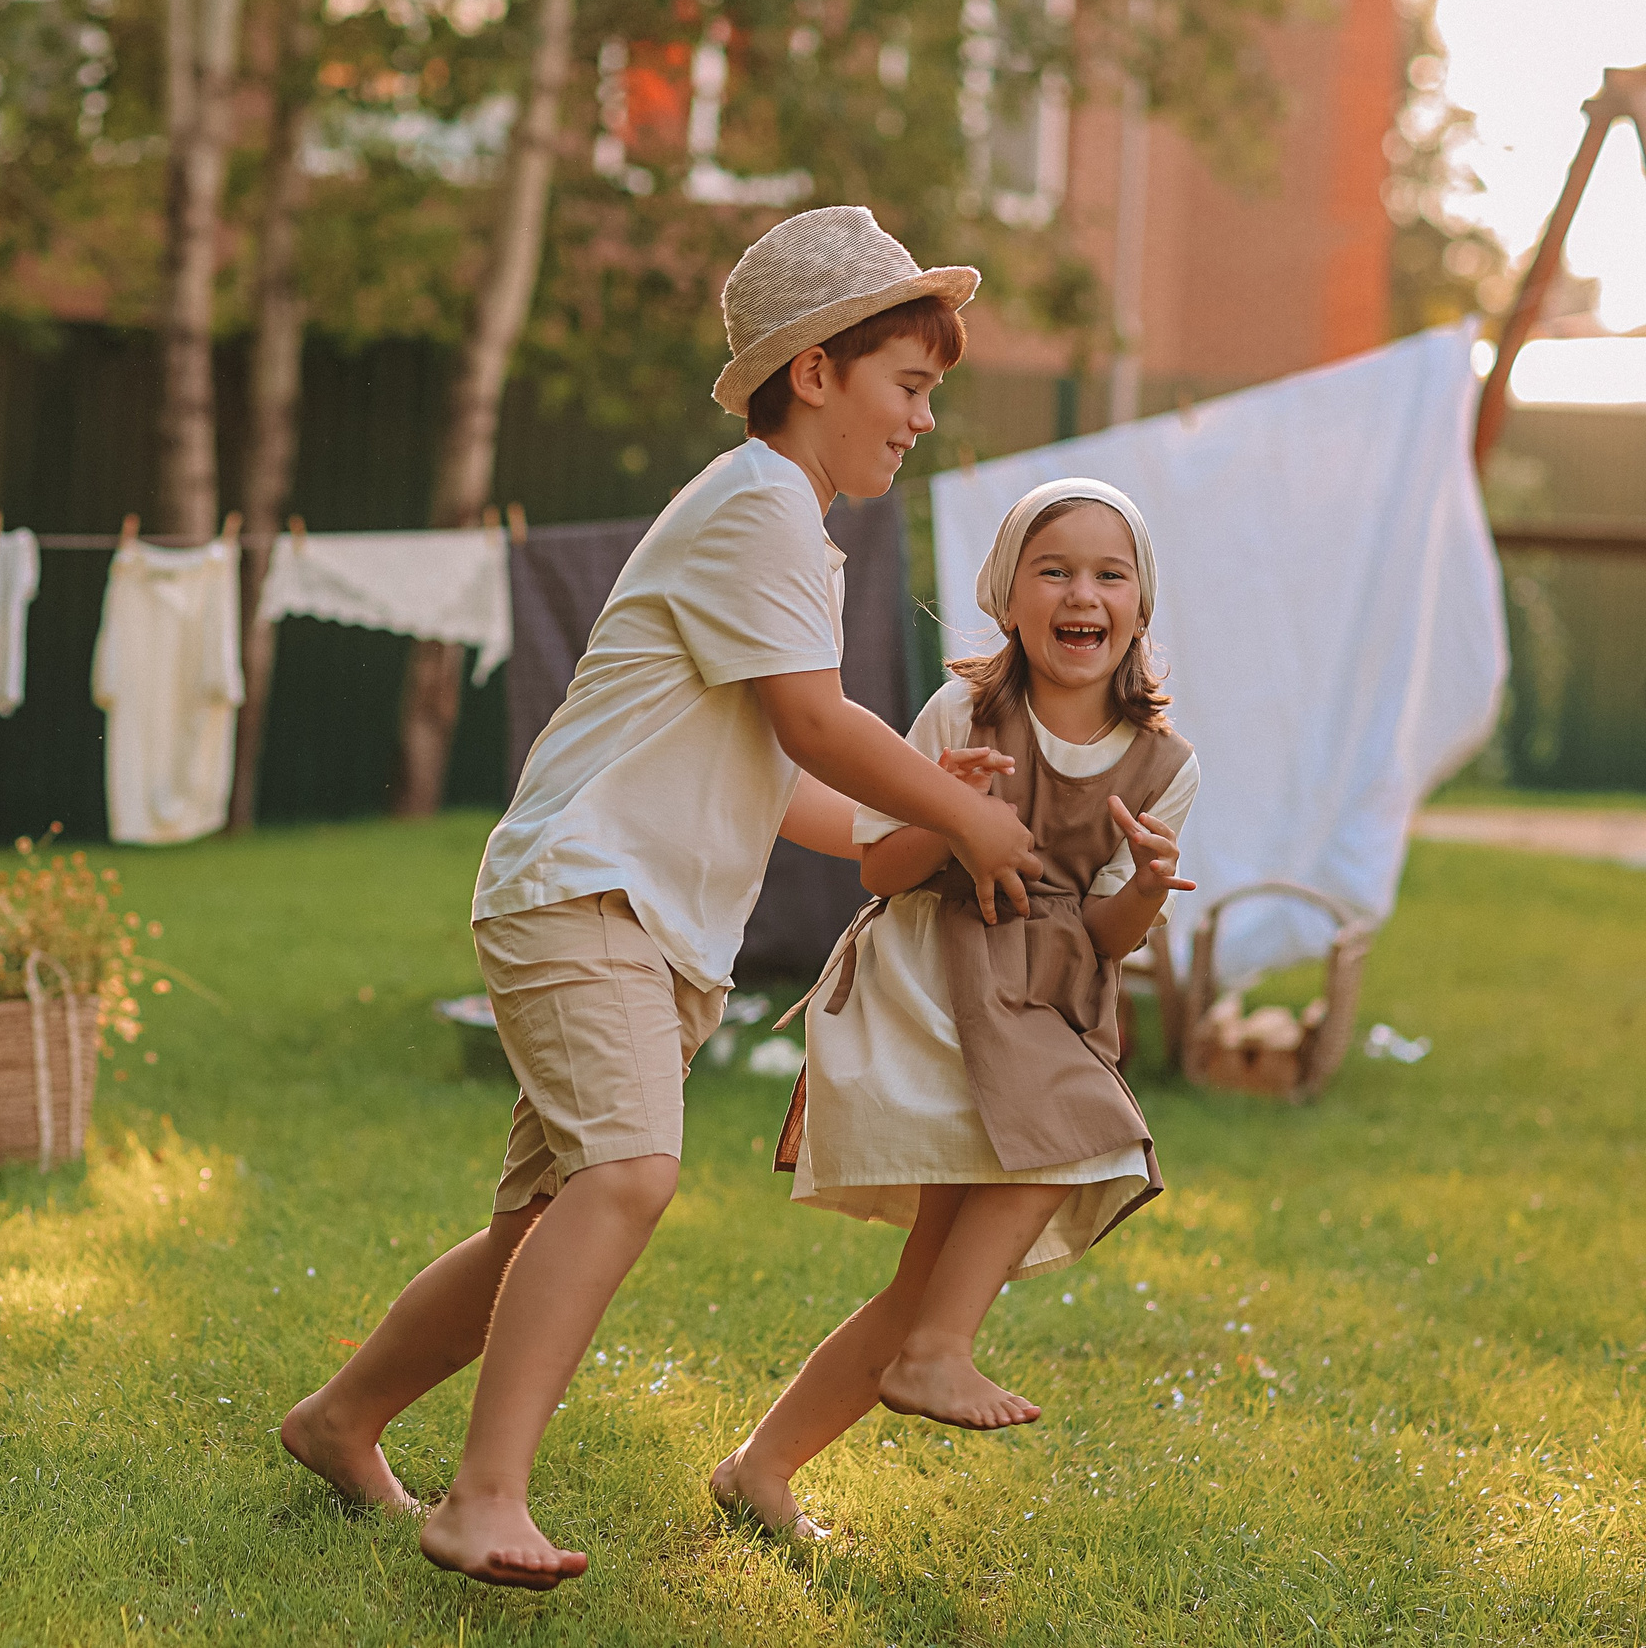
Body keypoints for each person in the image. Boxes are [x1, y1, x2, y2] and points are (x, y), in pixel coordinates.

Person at [278, 205, 1043, 1590]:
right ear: (814, 370)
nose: (924, 419)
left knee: (537, 1224)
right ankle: (483, 1494)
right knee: (630, 1173)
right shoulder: (754, 501)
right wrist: (962, 807)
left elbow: (788, 777)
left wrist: (914, 817)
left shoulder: (788, 531)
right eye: (910, 386)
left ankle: (341, 1418)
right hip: (588, 894)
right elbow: (815, 724)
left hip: (642, 918)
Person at [709, 480, 1198, 1541]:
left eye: (1109, 574)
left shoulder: (1165, 764)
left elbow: (1109, 938)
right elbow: (882, 867)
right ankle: (934, 1354)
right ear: (1008, 600)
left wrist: (1149, 888)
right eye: (1054, 570)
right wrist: (950, 808)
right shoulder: (960, 713)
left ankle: (761, 1465)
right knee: (1090, 1134)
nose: (1083, 592)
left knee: (925, 1282)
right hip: (937, 994)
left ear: (1139, 606)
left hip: (1043, 1008)